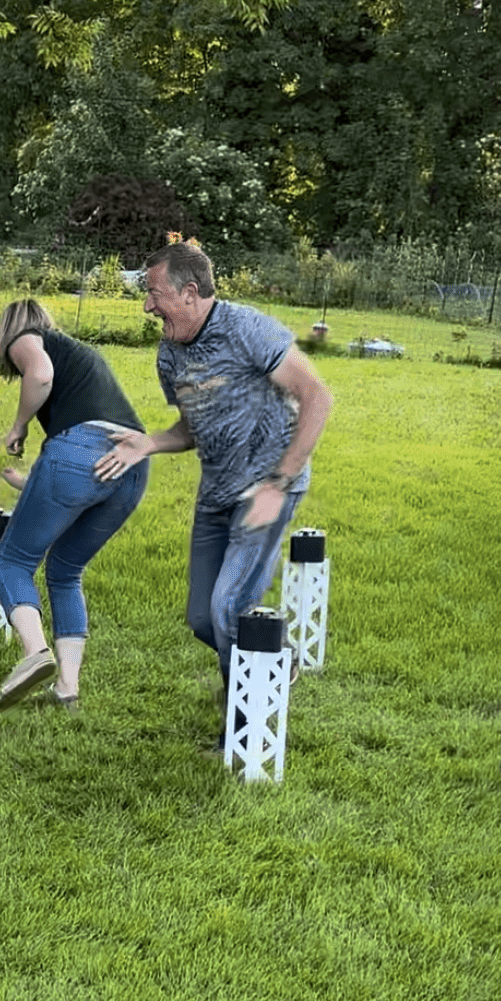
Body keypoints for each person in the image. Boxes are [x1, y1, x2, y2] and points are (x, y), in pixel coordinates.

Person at [93, 242, 333, 746]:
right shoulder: (169, 353)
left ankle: (247, 732)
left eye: (154, 294)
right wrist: (150, 443)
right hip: (216, 494)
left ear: (191, 292)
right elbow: (191, 428)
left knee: (229, 607)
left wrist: (280, 482)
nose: (147, 306)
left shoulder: (249, 330)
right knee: (203, 617)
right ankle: (276, 658)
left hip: (267, 488)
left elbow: (317, 396)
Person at [0, 299, 150, 711]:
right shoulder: (78, 355)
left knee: (13, 561)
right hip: (132, 464)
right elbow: (78, 482)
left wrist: (19, 424)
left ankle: (35, 654)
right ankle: (66, 690)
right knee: (65, 570)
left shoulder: (27, 339)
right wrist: (29, 484)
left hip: (79, 451)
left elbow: (40, 376)